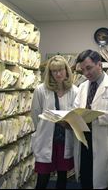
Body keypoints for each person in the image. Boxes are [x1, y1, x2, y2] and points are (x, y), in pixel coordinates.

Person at [73, 49, 108, 189]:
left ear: (99, 64)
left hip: (103, 142)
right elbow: (75, 109)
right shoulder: (82, 87)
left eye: (89, 68)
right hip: (84, 140)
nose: (86, 73)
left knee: (101, 184)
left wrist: (97, 116)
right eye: (82, 70)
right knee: (85, 179)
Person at [31, 55, 78, 189]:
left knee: (62, 176)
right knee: (43, 176)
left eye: (60, 70)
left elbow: (76, 115)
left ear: (66, 70)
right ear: (49, 73)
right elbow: (35, 114)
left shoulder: (74, 90)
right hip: (46, 140)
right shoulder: (41, 90)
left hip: (65, 140)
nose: (58, 74)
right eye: (54, 71)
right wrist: (43, 130)